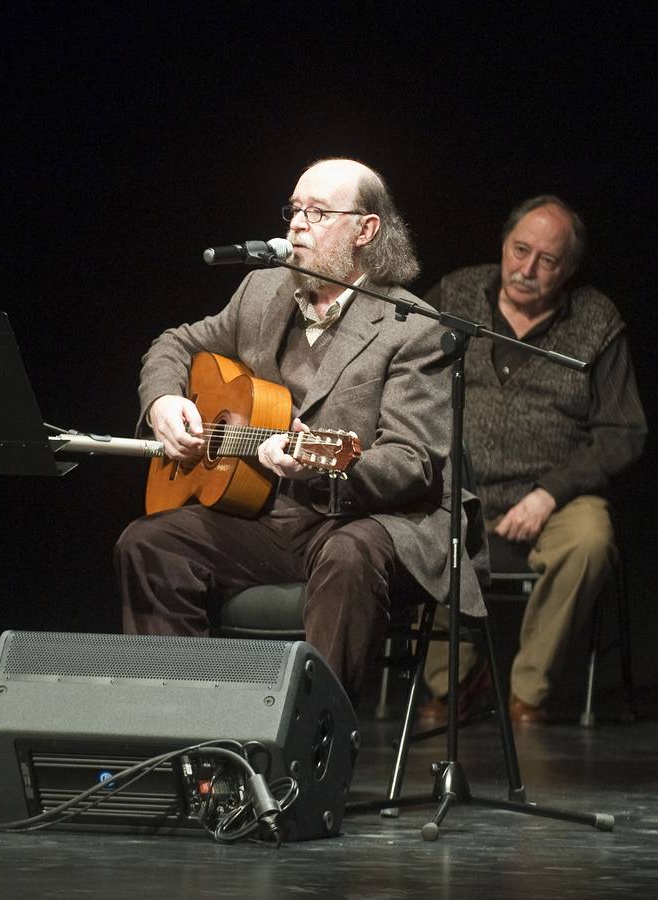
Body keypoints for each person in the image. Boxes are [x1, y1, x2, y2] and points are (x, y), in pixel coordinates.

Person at [114, 157, 485, 698]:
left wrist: (316, 460)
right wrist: (165, 401)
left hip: (362, 519)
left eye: (317, 212)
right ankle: (186, 738)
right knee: (148, 544)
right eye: (294, 209)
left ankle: (310, 751)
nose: (296, 224)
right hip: (267, 516)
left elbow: (410, 463)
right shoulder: (260, 292)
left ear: (366, 230)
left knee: (349, 556)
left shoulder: (414, 329)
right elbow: (177, 343)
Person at [416, 195, 647, 724]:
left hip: (554, 496)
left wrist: (549, 494)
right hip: (458, 487)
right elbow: (406, 382)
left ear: (569, 268)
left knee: (590, 540)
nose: (527, 269)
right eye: (520, 250)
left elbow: (624, 431)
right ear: (503, 245)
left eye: (547, 260)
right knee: (413, 523)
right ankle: (453, 684)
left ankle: (528, 690)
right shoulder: (454, 295)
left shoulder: (596, 320)